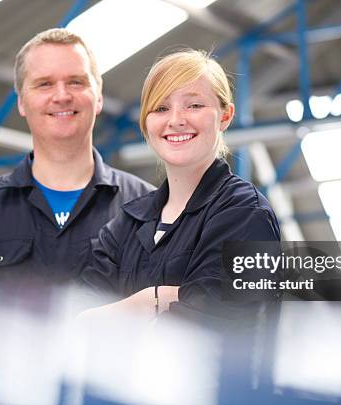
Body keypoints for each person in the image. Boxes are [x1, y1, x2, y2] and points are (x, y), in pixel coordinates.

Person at [0, 28, 153, 285]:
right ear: (22, 103)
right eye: (44, 84)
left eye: (76, 82)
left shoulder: (149, 212)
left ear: (99, 97)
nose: (61, 96)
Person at [81, 49, 281, 323]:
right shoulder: (126, 224)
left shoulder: (246, 214)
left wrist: (123, 313)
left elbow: (210, 330)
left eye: (194, 105)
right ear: (146, 122)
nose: (176, 120)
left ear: (225, 116)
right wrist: (154, 299)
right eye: (161, 108)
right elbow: (79, 324)